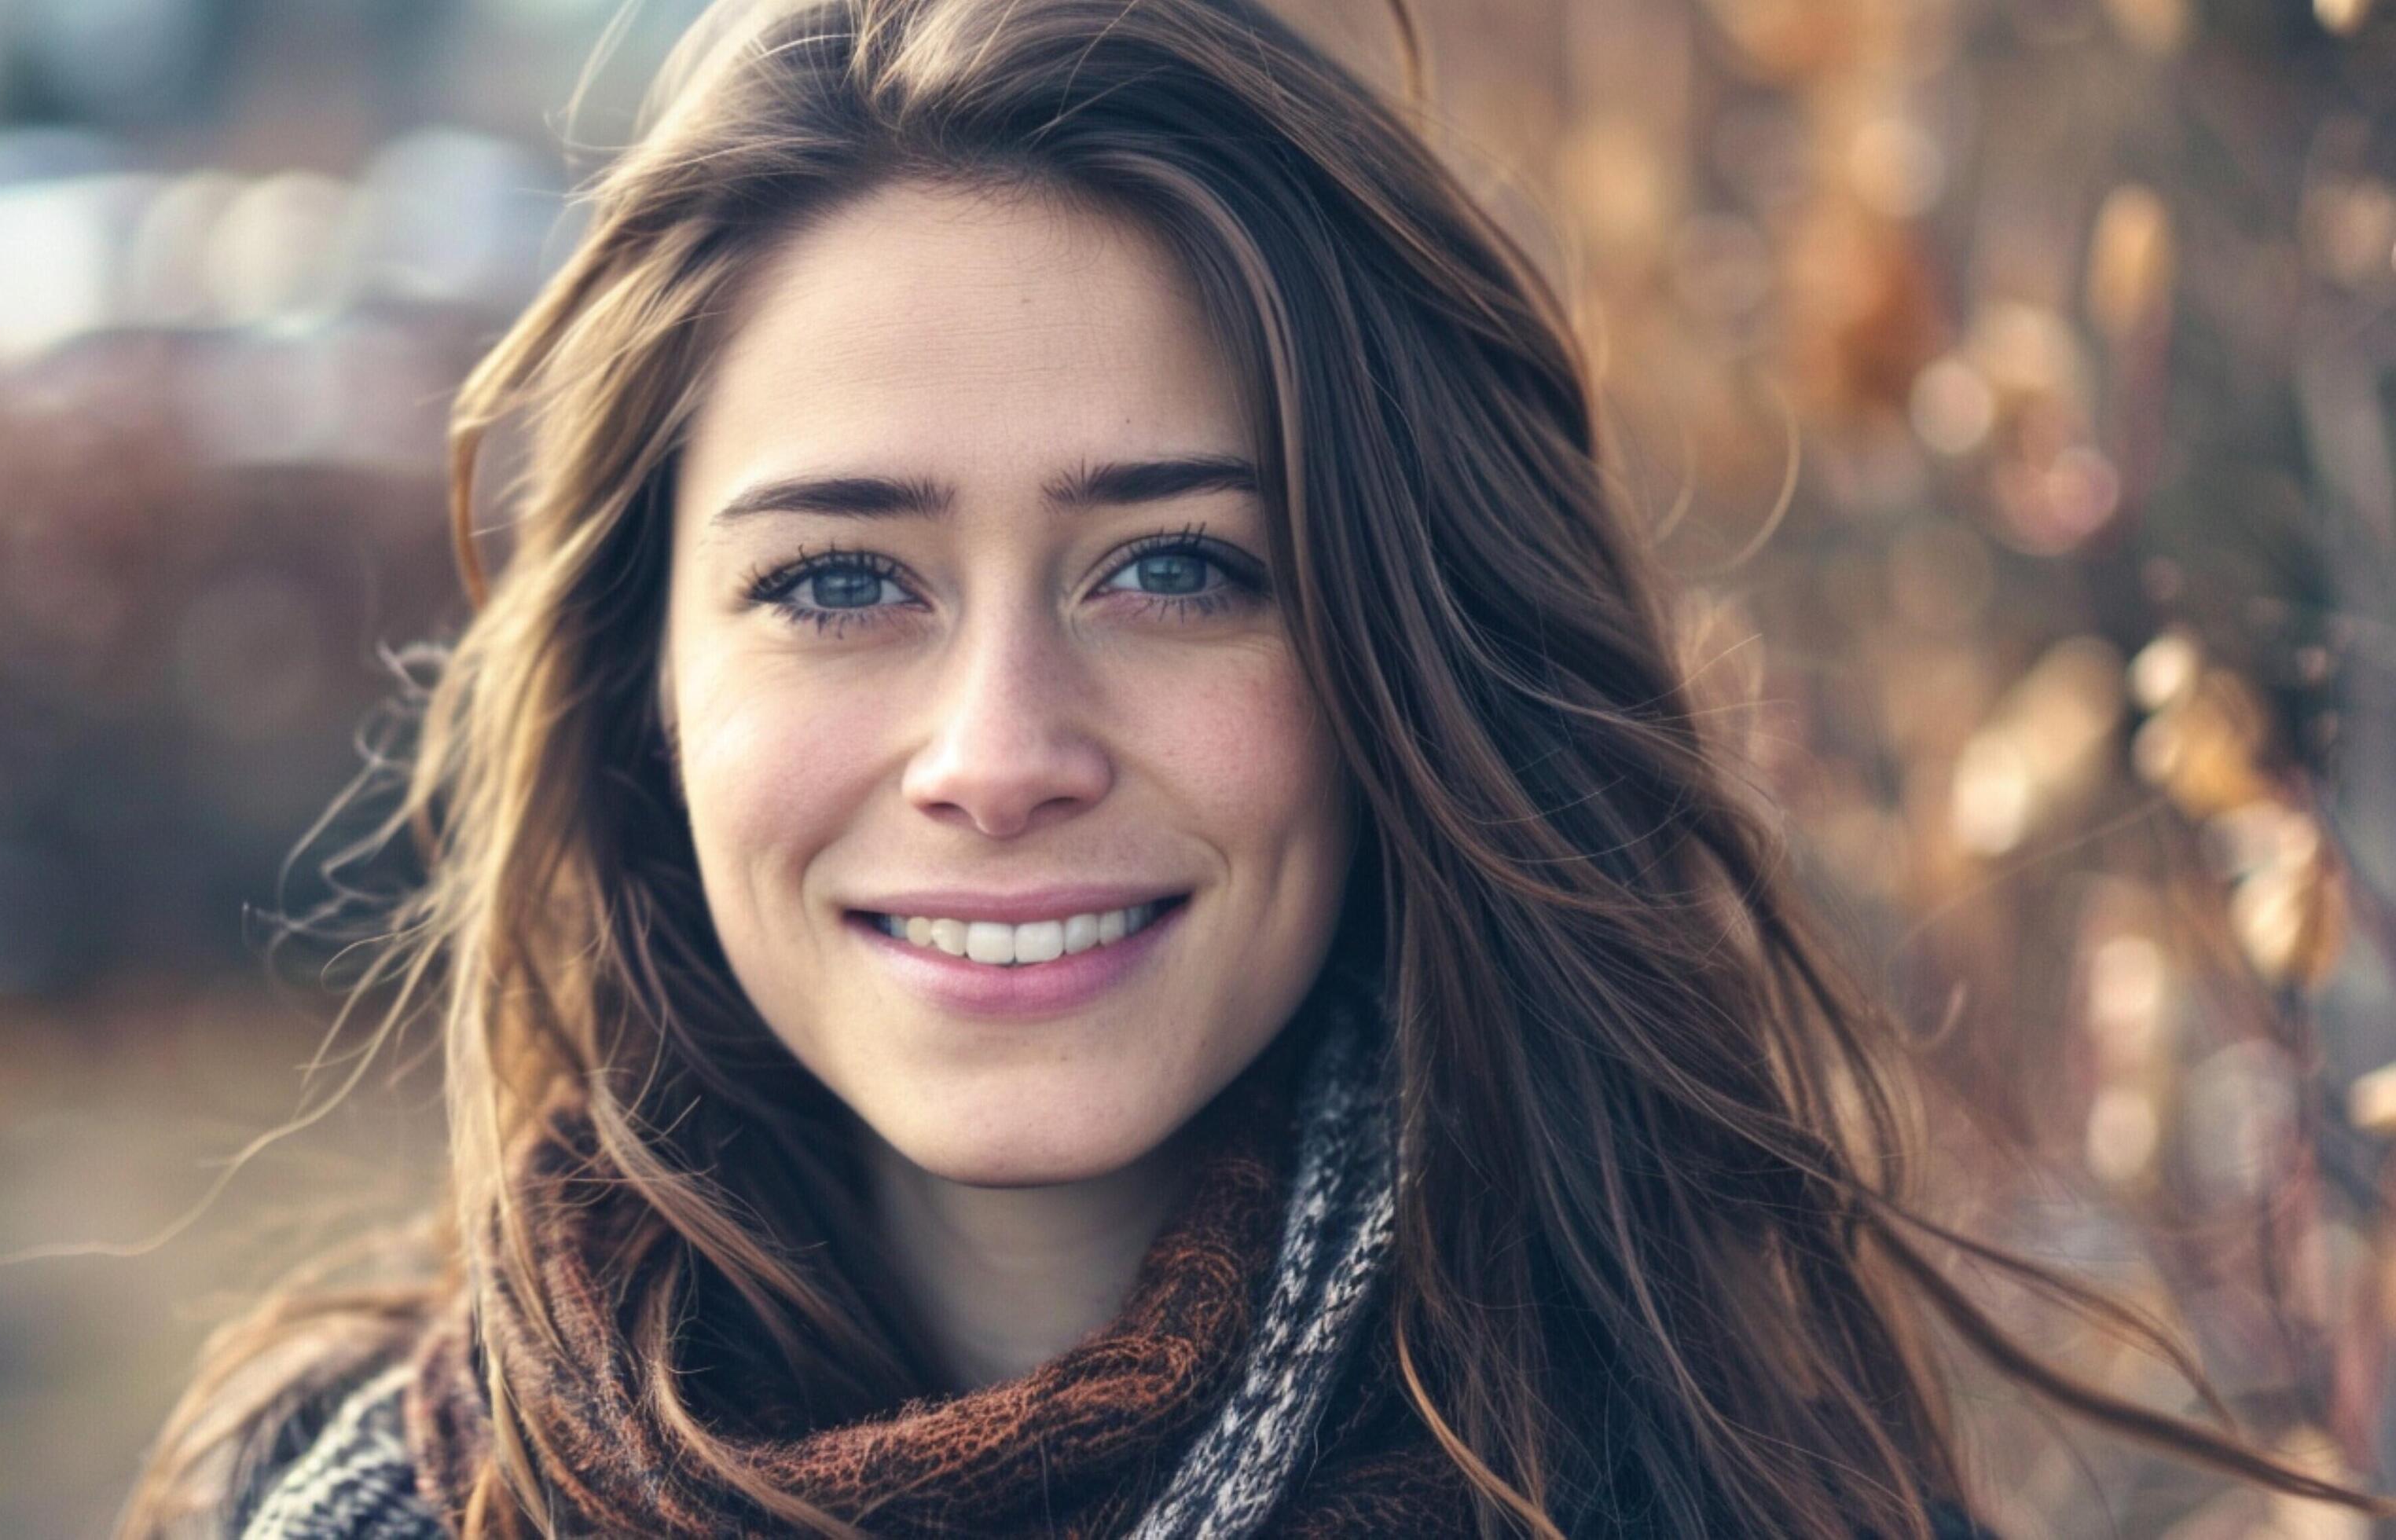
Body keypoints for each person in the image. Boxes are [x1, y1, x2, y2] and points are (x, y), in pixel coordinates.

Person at [117, 1, 2396, 1535]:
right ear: (645, 690)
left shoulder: (1720, 1477)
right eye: (839, 584)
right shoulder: (355, 1502)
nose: (997, 756)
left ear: (1405, 647)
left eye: (1177, 569)